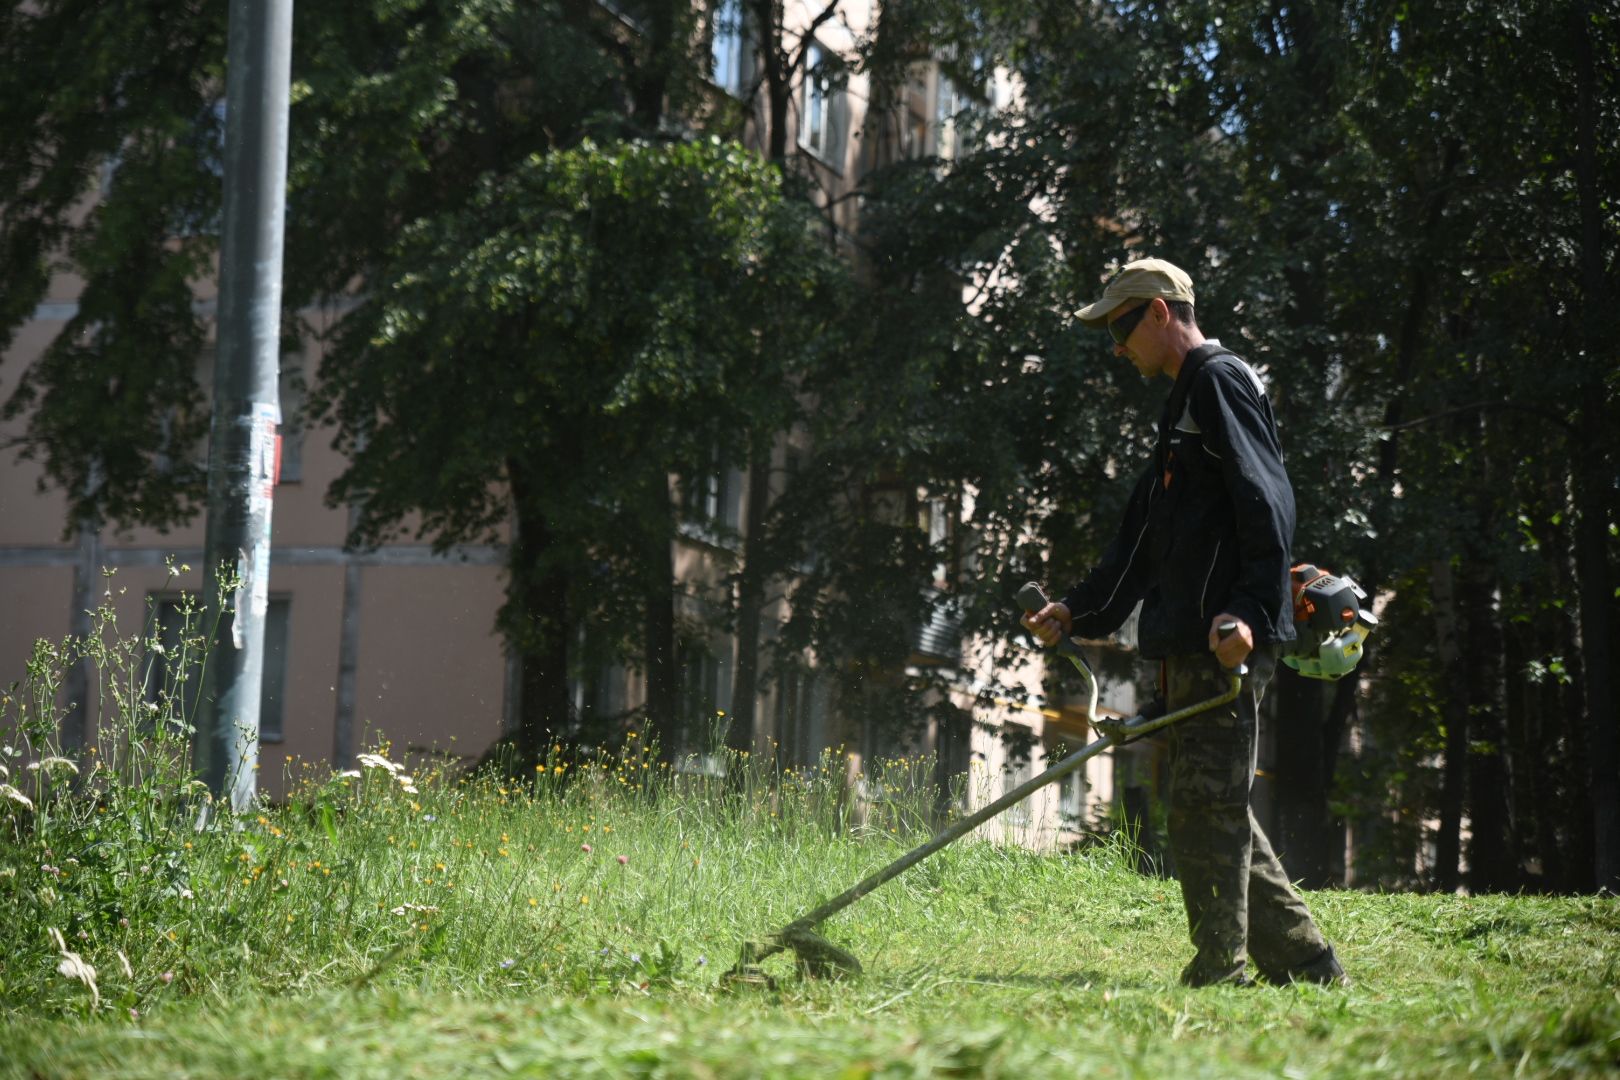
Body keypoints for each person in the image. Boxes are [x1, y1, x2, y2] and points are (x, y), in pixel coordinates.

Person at [1021, 257, 1349, 988]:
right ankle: (1307, 965)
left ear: (1161, 312)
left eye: (1120, 325)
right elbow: (1143, 536)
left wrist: (1251, 614)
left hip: (1221, 641)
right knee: (1207, 803)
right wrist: (1078, 608)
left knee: (1209, 804)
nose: (1115, 345)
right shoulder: (1182, 405)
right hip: (1189, 642)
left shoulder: (1218, 380)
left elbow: (1268, 502)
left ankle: (1221, 969)